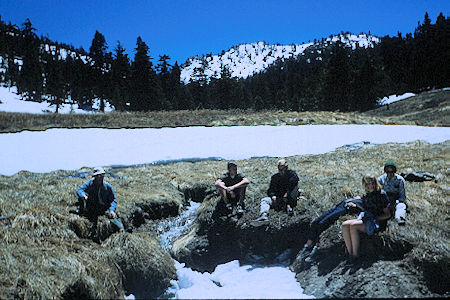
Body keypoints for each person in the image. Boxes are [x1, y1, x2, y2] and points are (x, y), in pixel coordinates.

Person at [298, 196, 365, 263]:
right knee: (314, 223)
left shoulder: (369, 200)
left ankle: (316, 249)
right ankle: (308, 246)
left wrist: (355, 205)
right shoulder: (363, 196)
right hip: (341, 205)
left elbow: (366, 209)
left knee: (322, 224)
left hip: (346, 208)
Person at [342, 175, 390, 261]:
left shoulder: (381, 194)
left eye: (372, 183)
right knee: (345, 225)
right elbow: (364, 208)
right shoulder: (367, 195)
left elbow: (387, 214)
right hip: (367, 219)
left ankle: (355, 255)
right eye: (368, 184)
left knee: (353, 226)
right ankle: (350, 253)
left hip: (377, 222)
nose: (370, 185)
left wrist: (374, 219)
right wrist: (355, 205)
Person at [76, 167, 125, 239]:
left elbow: (113, 200)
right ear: (95, 177)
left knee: (113, 217)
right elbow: (79, 190)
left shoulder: (107, 187)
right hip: (91, 207)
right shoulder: (90, 184)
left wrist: (111, 210)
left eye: (102, 175)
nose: (100, 178)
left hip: (103, 207)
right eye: (99, 176)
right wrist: (83, 195)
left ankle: (121, 230)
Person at [251, 159, 299, 226]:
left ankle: (289, 206)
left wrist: (287, 194)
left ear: (286, 168)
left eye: (283, 169)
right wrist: (273, 196)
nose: (281, 171)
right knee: (265, 200)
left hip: (290, 197)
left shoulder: (292, 175)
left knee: (295, 188)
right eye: (280, 169)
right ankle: (264, 216)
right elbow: (270, 190)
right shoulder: (275, 177)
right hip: (279, 199)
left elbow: (294, 182)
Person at [377, 160, 407, 225]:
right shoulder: (380, 180)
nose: (390, 173)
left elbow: (402, 196)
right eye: (388, 171)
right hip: (384, 201)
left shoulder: (400, 180)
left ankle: (400, 219)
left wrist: (396, 202)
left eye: (392, 171)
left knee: (401, 206)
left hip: (395, 201)